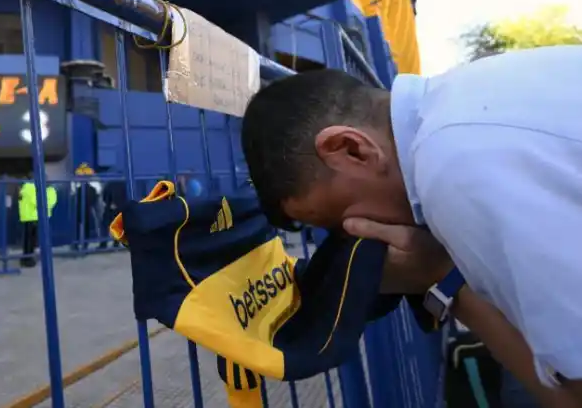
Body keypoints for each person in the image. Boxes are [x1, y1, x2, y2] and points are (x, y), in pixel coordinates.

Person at [240, 46, 582, 408]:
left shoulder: (453, 169)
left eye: (344, 221)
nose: (360, 233)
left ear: (351, 149)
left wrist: (440, 278)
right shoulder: (470, 95)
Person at [17, 175, 57, 268]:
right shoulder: (30, 187)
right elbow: (37, 201)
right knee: (30, 239)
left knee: (30, 239)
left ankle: (28, 257)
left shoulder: (29, 187)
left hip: (32, 216)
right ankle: (28, 258)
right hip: (33, 216)